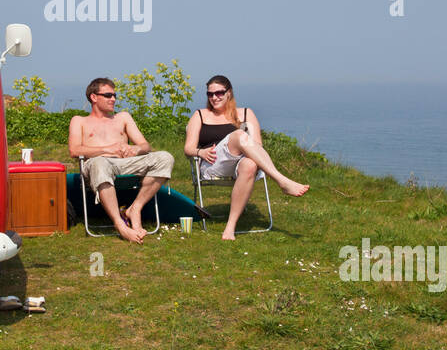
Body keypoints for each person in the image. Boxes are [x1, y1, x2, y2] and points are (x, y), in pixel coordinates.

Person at [184, 74, 309, 240]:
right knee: (239, 135)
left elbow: (257, 144)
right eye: (210, 94)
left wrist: (246, 153)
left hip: (240, 162)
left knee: (250, 164)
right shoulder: (200, 115)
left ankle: (230, 228)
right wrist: (201, 152)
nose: (214, 97)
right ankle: (281, 181)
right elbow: (188, 148)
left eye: (219, 93)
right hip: (212, 163)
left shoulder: (244, 114)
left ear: (229, 93)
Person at [69, 77, 175, 244]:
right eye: (108, 95)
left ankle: (135, 209)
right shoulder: (79, 121)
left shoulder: (123, 117)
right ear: (94, 97)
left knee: (165, 158)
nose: (113, 99)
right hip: (97, 163)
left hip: (126, 163)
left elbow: (145, 145)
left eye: (114, 95)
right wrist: (107, 149)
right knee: (99, 163)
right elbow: (74, 150)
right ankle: (120, 224)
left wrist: (136, 149)